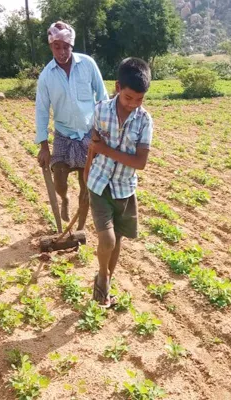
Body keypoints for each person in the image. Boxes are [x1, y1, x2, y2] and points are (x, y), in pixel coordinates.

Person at [83, 58, 153, 307]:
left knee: (117, 241)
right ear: (117, 88)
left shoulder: (144, 121)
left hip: (124, 188)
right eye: (128, 98)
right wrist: (95, 146)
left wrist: (105, 149)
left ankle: (105, 283)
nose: (133, 104)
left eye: (139, 99)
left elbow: (140, 162)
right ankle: (102, 277)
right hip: (100, 183)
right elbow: (94, 141)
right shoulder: (101, 109)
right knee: (108, 240)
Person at [35, 21, 108, 231]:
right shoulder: (46, 76)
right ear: (50, 46)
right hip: (63, 135)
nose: (61, 51)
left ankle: (80, 229)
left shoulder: (87, 64)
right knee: (59, 176)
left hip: (89, 133)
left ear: (71, 45)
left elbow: (102, 97)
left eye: (65, 46)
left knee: (87, 188)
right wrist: (43, 146)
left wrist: (101, 131)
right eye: (56, 46)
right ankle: (64, 198)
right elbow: (41, 110)